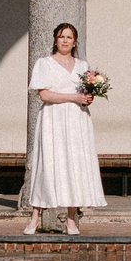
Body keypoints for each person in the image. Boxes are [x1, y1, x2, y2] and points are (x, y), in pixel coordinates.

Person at [23, 22, 105, 236]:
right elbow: (45, 95)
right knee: (48, 163)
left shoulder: (81, 65)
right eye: (61, 37)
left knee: (74, 165)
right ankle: (35, 217)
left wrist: (87, 98)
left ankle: (71, 219)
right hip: (53, 118)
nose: (65, 40)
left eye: (69, 37)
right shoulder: (45, 63)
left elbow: (84, 93)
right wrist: (73, 97)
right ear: (55, 40)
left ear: (75, 41)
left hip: (77, 119)